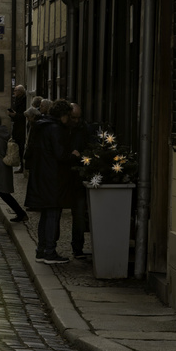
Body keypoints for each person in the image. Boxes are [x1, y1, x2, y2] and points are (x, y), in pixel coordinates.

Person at [24, 98, 72, 263]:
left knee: (45, 215)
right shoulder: (55, 128)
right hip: (53, 178)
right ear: (63, 115)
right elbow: (60, 154)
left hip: (41, 176)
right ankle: (50, 251)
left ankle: (41, 250)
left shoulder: (41, 125)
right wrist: (73, 155)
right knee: (52, 214)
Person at [66, 102, 96, 260]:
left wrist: (80, 157)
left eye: (78, 118)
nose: (76, 121)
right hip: (65, 176)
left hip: (78, 177)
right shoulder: (63, 128)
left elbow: (91, 151)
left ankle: (77, 247)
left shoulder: (85, 129)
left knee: (78, 214)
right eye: (73, 117)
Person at [7, 84, 27, 171]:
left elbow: (24, 115)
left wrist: (15, 115)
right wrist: (12, 115)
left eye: (16, 90)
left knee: (22, 147)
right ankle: (21, 165)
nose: (14, 92)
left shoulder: (24, 100)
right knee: (18, 147)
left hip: (22, 128)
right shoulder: (17, 99)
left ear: (21, 92)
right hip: (17, 127)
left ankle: (23, 166)